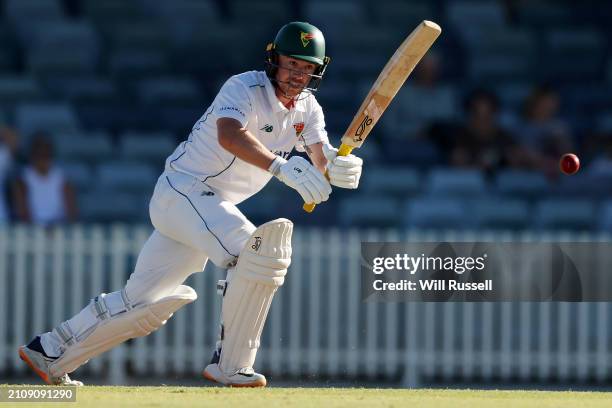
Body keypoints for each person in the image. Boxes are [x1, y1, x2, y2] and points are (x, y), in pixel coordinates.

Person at [18, 22, 363, 387]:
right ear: (274, 60)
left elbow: (320, 155)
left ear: (317, 71)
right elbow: (229, 134)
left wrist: (337, 165)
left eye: (307, 68)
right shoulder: (244, 87)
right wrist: (280, 167)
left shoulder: (308, 108)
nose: (298, 75)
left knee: (140, 303)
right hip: (183, 191)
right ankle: (230, 365)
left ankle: (50, 349)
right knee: (259, 252)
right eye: (292, 64)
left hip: (207, 211)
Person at [13, 135, 78, 225]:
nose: (43, 159)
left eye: (46, 154)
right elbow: (22, 213)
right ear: (32, 156)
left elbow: (71, 213)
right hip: (32, 232)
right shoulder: (22, 180)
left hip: (59, 230)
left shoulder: (63, 179)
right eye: (39, 155)